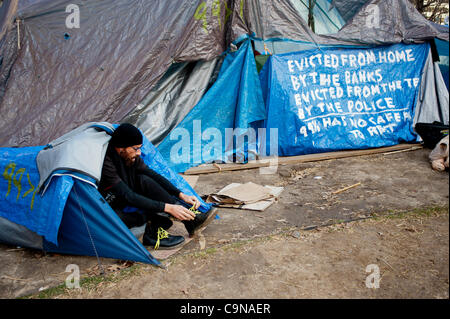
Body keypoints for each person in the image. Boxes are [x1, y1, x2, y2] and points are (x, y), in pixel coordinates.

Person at [99, 123, 215, 249]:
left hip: (125, 195)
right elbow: (128, 196)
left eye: (140, 148)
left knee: (144, 180)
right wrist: (168, 208)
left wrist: (180, 194)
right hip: (109, 206)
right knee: (144, 216)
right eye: (136, 149)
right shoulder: (106, 162)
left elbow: (151, 174)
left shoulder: (129, 155)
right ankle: (152, 235)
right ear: (122, 147)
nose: (139, 153)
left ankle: (189, 220)